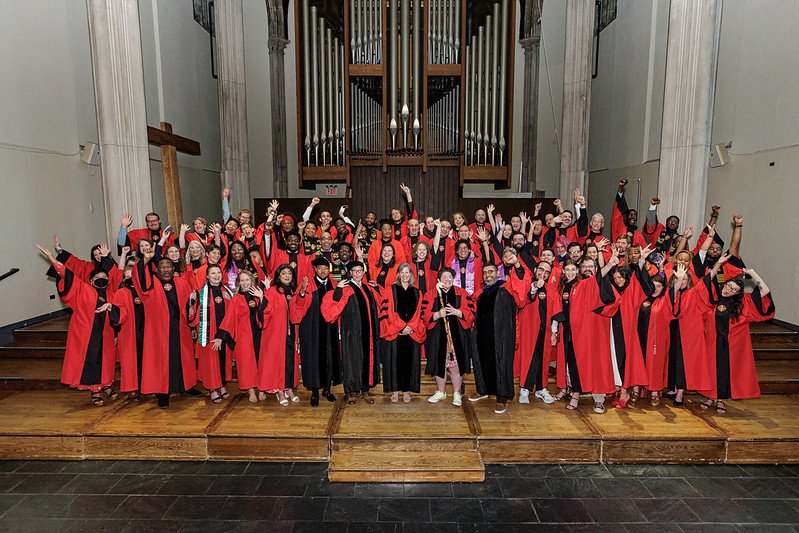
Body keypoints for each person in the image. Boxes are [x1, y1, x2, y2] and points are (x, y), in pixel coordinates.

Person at [38, 245, 124, 406]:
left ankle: (107, 385)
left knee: (106, 360)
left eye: (104, 277)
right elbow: (66, 274)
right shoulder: (83, 290)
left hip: (106, 333)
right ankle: (95, 391)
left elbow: (121, 312)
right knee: (91, 360)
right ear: (91, 281)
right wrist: (52, 257)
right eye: (97, 277)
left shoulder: (112, 295)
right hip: (86, 333)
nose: (101, 279)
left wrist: (115, 331)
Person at [697, 259, 775, 413]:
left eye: (733, 289)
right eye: (728, 286)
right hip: (712, 341)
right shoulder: (713, 297)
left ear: (738, 293)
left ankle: (721, 399)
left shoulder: (743, 304)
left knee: (726, 370)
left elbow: (764, 291)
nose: (728, 290)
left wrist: (752, 274)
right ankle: (709, 396)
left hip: (731, 344)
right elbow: (703, 285)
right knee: (711, 369)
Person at [551, 254, 619, 413]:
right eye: (584, 267)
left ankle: (598, 399)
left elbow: (612, 300)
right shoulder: (573, 286)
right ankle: (574, 393)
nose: (587, 269)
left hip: (596, 333)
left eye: (591, 266)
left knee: (598, 365)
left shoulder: (590, 284)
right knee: (576, 364)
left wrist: (609, 265)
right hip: (576, 333)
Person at [131, 250, 199, 408]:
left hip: (180, 329)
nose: (166, 269)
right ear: (157, 269)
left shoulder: (181, 283)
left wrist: (192, 322)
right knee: (161, 363)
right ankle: (162, 393)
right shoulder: (150, 284)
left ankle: (186, 387)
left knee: (183, 360)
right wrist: (145, 259)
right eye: (162, 267)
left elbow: (191, 306)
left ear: (173, 269)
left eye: (169, 267)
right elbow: (139, 279)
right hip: (159, 332)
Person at [470, 250, 530, 414]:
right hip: (483, 336)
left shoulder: (507, 288)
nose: (487, 275)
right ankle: (483, 390)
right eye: (485, 273)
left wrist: (517, 264)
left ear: (498, 273)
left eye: (490, 272)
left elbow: (522, 285)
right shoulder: (481, 294)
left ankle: (502, 397)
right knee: (482, 360)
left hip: (501, 337)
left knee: (501, 364)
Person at [321, 261, 381, 404]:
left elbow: (376, 307)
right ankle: (352, 391)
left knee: (367, 358)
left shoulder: (367, 288)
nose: (358, 274)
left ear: (363, 273)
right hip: (351, 332)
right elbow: (332, 308)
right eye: (354, 271)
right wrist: (338, 290)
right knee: (352, 359)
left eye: (360, 271)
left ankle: (365, 390)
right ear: (350, 273)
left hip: (368, 332)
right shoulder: (346, 288)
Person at [421, 268, 475, 407]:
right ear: (438, 280)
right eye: (444, 277)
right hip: (437, 336)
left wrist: (457, 312)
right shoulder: (430, 295)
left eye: (450, 277)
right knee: (440, 364)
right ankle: (441, 391)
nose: (447, 279)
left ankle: (456, 393)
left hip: (456, 336)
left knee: (455, 366)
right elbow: (424, 315)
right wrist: (438, 314)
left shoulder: (461, 293)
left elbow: (470, 312)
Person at [258, 266, 311, 405]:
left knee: (289, 361)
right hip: (275, 333)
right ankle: (279, 390)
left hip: (291, 332)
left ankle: (288, 388)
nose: (287, 276)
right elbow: (265, 312)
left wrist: (302, 293)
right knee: (277, 362)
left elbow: (298, 309)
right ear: (278, 275)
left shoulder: (293, 291)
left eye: (289, 273)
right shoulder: (272, 291)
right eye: (284, 273)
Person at [212, 271, 265, 403]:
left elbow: (267, 314)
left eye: (247, 280)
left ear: (252, 282)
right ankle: (251, 389)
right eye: (242, 280)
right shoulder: (236, 299)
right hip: (244, 336)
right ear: (238, 283)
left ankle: (262, 388)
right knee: (246, 363)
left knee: (261, 361)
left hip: (259, 334)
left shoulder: (258, 296)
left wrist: (263, 297)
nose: (245, 283)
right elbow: (229, 319)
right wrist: (220, 336)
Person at [379, 263, 426, 403]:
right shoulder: (390, 290)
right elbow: (388, 311)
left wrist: (411, 326)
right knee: (394, 361)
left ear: (411, 275)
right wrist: (401, 326)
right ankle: (394, 390)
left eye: (407, 273)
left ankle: (406, 390)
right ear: (398, 274)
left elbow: (419, 313)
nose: (405, 275)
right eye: (402, 272)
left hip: (411, 333)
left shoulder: (417, 292)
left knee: (409, 361)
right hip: (395, 332)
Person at [298, 257, 341, 407]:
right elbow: (298, 304)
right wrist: (302, 293)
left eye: (325, 268)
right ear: (315, 269)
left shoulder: (334, 284)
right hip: (312, 329)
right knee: (314, 360)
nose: (323, 271)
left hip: (330, 329)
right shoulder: (307, 284)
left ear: (329, 270)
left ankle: (327, 389)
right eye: (319, 268)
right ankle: (315, 392)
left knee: (329, 359)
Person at [516, 260, 558, 405]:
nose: (543, 274)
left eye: (547, 272)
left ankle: (541, 388)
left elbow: (556, 313)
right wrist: (534, 287)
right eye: (541, 270)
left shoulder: (551, 290)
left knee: (543, 359)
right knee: (529, 358)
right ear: (535, 269)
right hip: (529, 329)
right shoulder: (527, 284)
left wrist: (554, 332)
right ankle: (524, 388)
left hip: (545, 331)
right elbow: (522, 299)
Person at [196, 265, 235, 403]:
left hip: (224, 333)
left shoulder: (228, 291)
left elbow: (233, 313)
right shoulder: (202, 293)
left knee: (223, 360)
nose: (216, 275)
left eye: (218, 272)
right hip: (209, 334)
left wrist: (230, 300)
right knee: (211, 361)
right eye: (213, 273)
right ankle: (213, 388)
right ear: (207, 275)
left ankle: (221, 385)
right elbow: (196, 316)